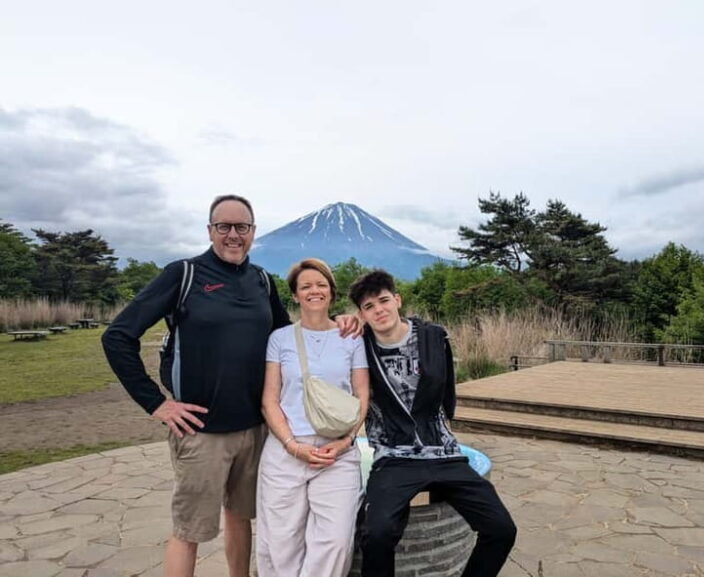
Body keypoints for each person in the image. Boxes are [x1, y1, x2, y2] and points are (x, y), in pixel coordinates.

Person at [101, 195, 357, 577]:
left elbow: (288, 336)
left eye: (242, 227)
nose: (233, 235)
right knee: (189, 530)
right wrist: (157, 403)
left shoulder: (260, 281)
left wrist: (340, 322)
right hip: (201, 430)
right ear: (210, 231)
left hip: (256, 429)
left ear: (253, 232)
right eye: (224, 226)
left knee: (241, 519)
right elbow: (117, 337)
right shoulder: (183, 275)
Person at [349, 270, 517, 577]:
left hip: (444, 454)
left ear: (397, 300)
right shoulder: (359, 348)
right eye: (369, 306)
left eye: (384, 301)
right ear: (361, 314)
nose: (379, 310)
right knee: (377, 534)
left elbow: (448, 390)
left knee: (502, 529)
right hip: (394, 457)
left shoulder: (433, 337)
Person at [257, 258, 369, 577]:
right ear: (294, 295)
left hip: (337, 451)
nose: (314, 291)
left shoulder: (352, 336)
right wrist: (293, 446)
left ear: (332, 293)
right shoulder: (280, 339)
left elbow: (362, 395)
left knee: (335, 541)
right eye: (305, 286)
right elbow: (270, 399)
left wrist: (346, 441)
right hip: (286, 449)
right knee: (280, 542)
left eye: (321, 285)